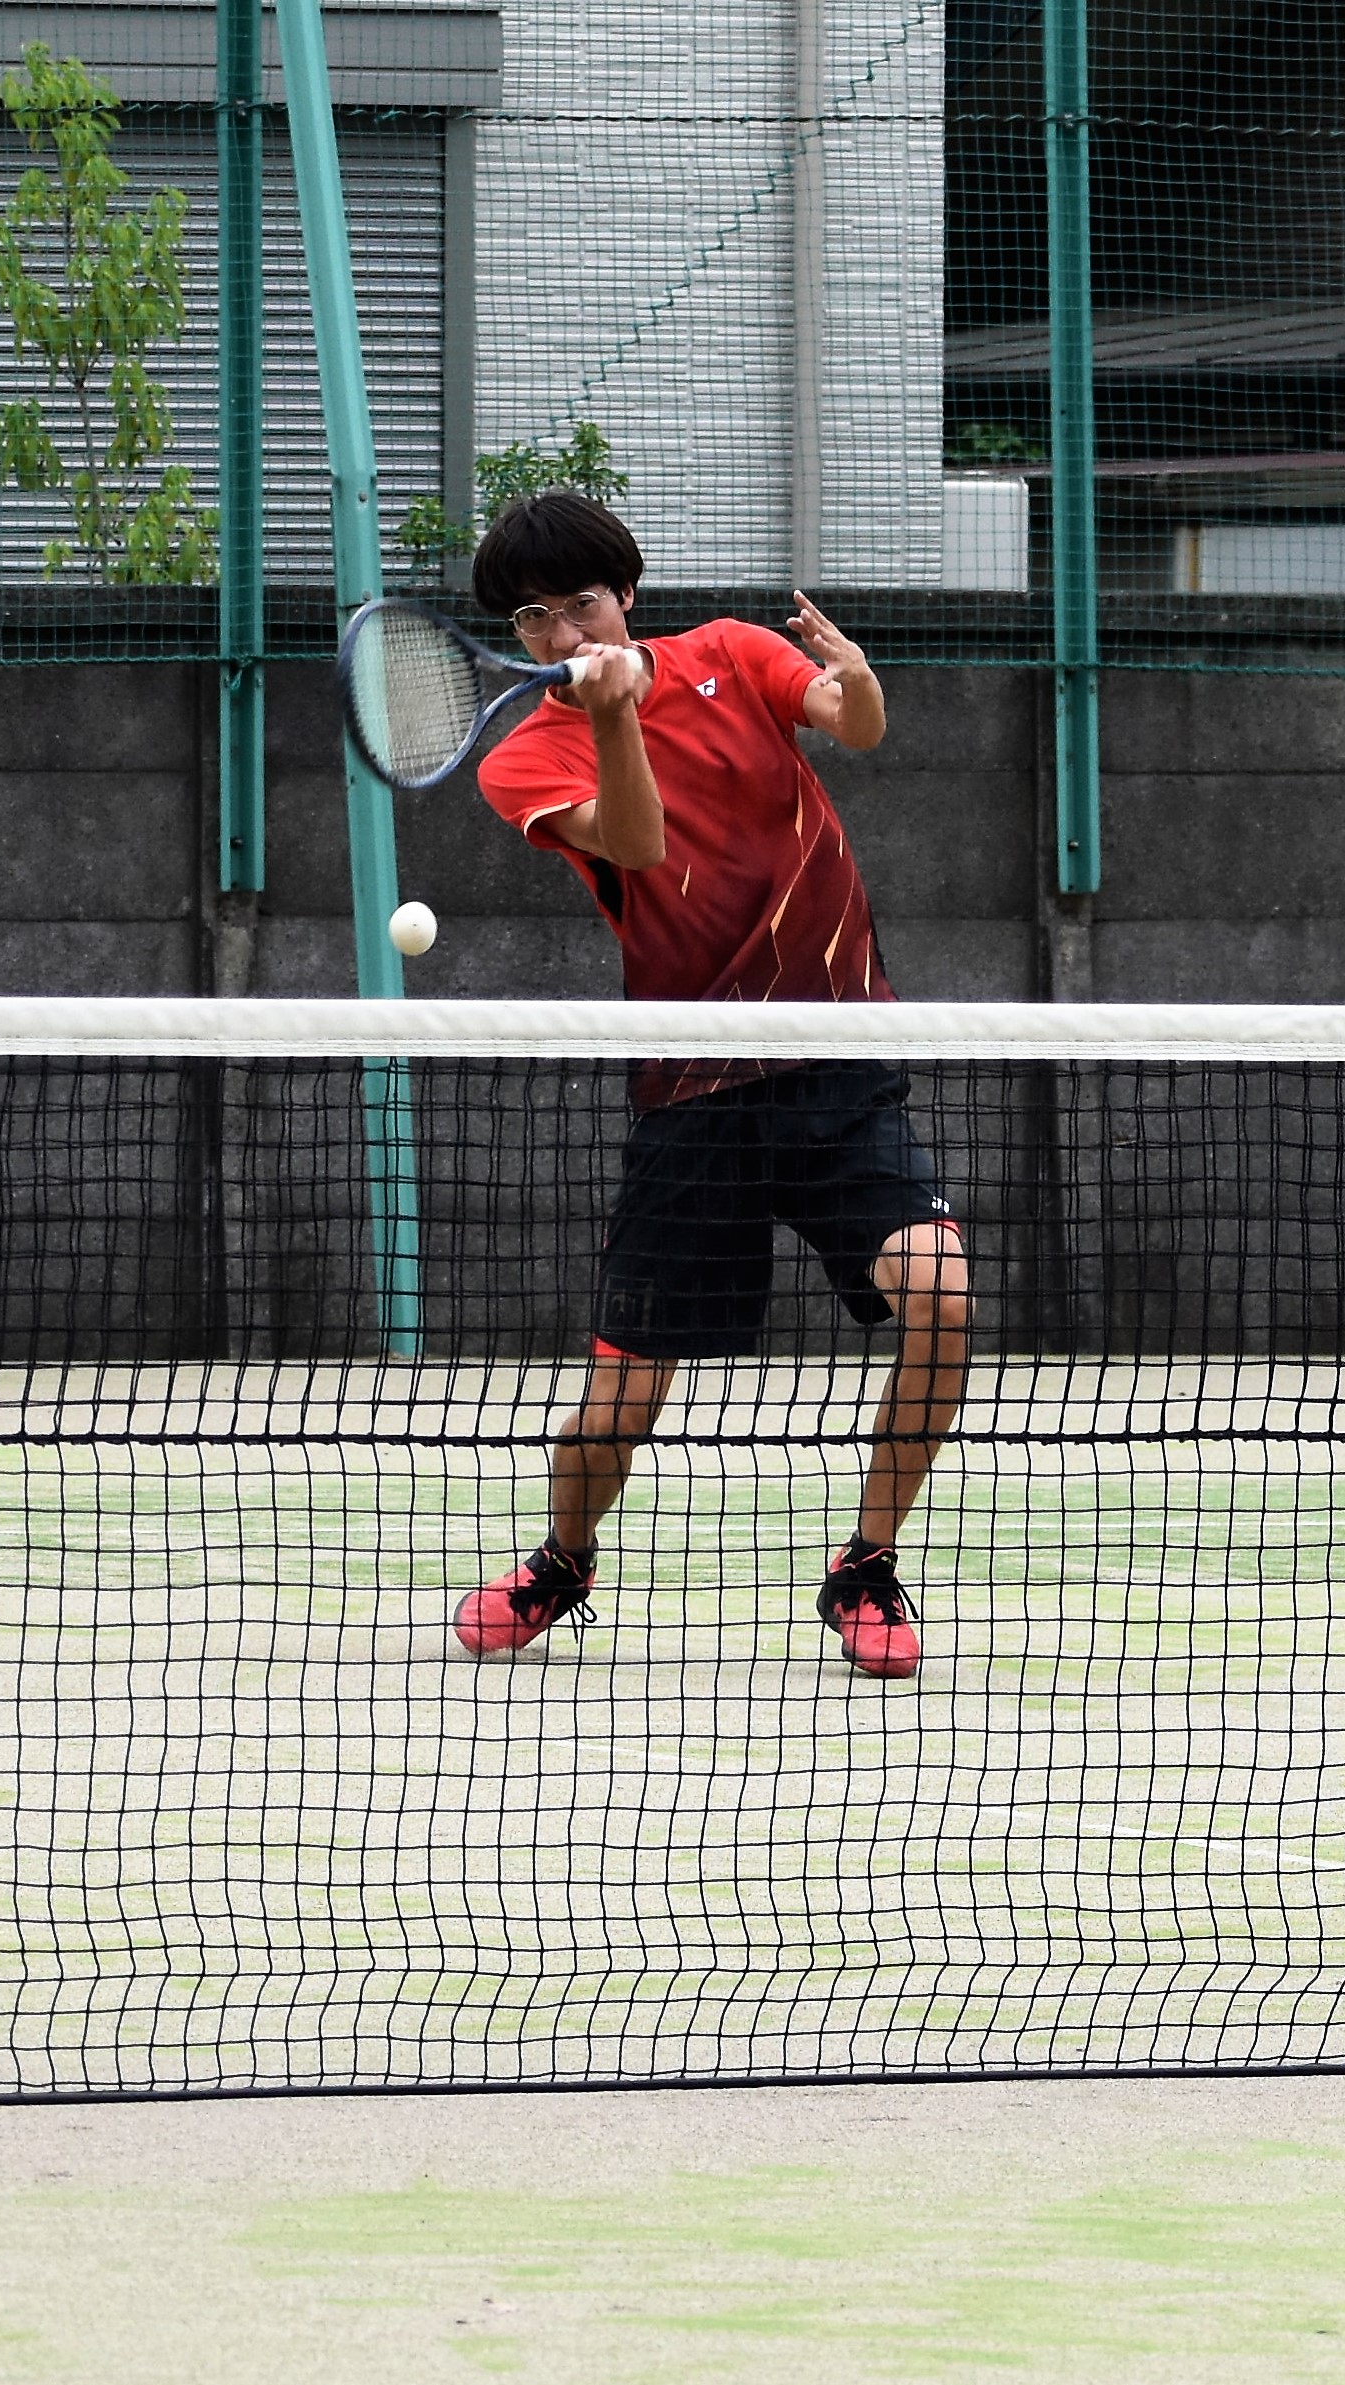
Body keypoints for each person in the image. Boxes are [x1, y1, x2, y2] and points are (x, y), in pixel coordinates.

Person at [448, 489, 967, 1681]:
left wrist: (857, 676)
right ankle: (563, 1562)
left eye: (579, 604)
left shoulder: (732, 651)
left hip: (836, 1062)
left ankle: (865, 1567)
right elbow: (638, 846)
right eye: (532, 619)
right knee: (618, 1407)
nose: (561, 634)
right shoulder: (524, 758)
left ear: (625, 592)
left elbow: (854, 725)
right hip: (693, 1090)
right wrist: (613, 718)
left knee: (942, 1295)